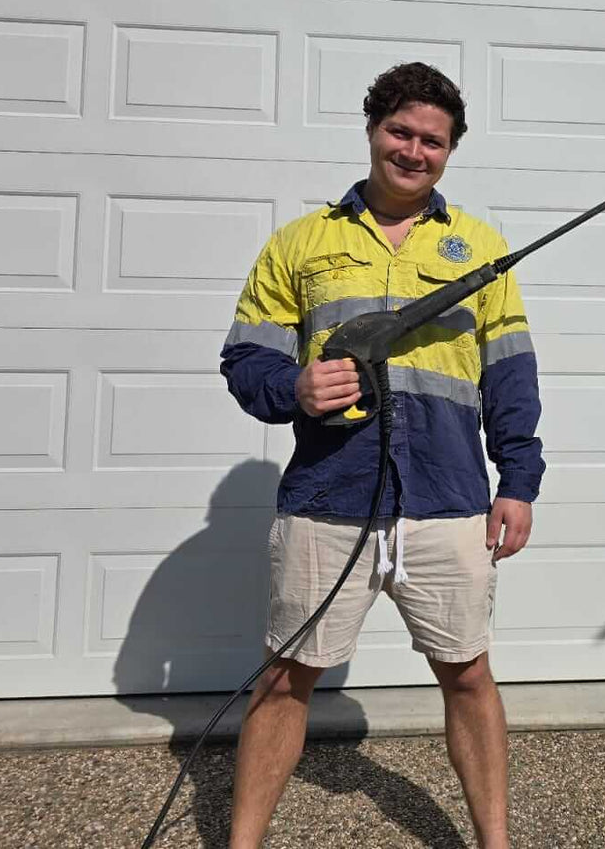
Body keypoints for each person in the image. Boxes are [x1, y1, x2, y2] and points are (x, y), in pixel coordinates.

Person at [219, 62, 544, 849]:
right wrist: (293, 387)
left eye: (432, 140)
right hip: (328, 497)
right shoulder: (302, 243)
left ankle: (494, 844)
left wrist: (519, 481)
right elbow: (244, 360)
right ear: (372, 130)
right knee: (284, 679)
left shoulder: (481, 248)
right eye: (400, 131)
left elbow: (509, 376)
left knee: (468, 674)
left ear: (449, 152)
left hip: (448, 498)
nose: (413, 150)